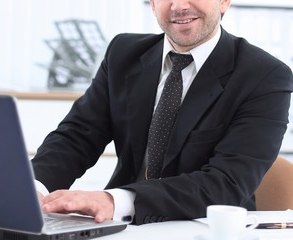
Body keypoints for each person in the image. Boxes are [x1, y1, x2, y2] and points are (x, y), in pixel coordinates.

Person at [32, 0, 293, 225]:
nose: (179, 6)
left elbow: (226, 183)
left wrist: (116, 200)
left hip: (203, 227)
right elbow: (77, 137)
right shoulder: (123, 53)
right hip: (119, 228)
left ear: (224, 1)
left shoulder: (264, 77)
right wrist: (32, 188)